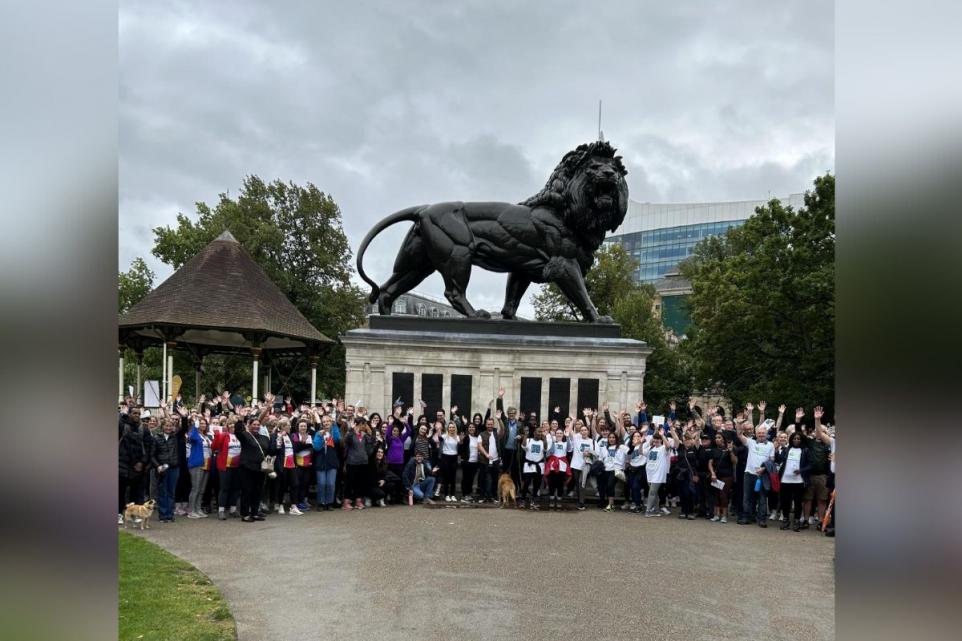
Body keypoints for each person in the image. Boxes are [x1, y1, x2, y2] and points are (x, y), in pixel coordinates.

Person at [735, 403, 775, 527]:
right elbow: (739, 435)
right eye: (759, 433)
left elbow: (772, 460)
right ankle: (746, 517)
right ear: (756, 434)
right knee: (747, 497)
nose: (761, 435)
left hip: (762, 475)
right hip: (749, 474)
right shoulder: (751, 442)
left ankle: (762, 519)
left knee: (762, 499)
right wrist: (740, 424)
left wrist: (764, 468)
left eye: (763, 433)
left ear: (766, 433)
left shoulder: (770, 445)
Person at [234, 416, 275, 522]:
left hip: (260, 469)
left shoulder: (264, 437)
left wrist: (276, 440)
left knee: (258, 491)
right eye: (254, 425)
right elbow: (238, 432)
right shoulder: (246, 435)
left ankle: (255, 513)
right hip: (247, 468)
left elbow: (271, 450)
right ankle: (245, 514)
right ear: (249, 425)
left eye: (258, 425)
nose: (256, 426)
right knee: (247, 491)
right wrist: (240, 420)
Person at [118, 406, 150, 525]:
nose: (136, 415)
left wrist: (142, 462)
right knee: (120, 492)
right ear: (130, 414)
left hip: (138, 465)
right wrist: (122, 414)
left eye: (138, 413)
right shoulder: (122, 426)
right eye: (134, 413)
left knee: (136, 492)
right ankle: (119, 514)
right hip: (123, 464)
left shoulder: (144, 429)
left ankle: (133, 514)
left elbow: (148, 447)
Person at [776, 429, 810, 531]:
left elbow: (810, 465)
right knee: (785, 501)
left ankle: (796, 521)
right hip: (785, 480)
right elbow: (779, 460)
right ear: (791, 440)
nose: (796, 440)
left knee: (798, 502)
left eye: (798, 439)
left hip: (798, 481)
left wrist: (801, 470)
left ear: (801, 440)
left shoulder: (805, 450)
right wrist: (776, 449)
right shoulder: (787, 449)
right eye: (794, 438)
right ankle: (785, 520)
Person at [151, 416, 184, 523]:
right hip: (162, 468)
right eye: (166, 425)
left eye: (170, 426)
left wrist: (183, 417)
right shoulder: (156, 437)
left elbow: (183, 429)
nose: (168, 428)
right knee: (162, 491)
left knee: (171, 491)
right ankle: (163, 515)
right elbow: (152, 455)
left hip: (174, 467)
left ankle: (170, 514)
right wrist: (158, 466)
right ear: (162, 426)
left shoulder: (175, 437)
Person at [342, 417, 376, 510]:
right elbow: (346, 440)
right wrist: (351, 429)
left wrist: (373, 429)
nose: (364, 426)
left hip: (363, 462)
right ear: (357, 424)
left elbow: (372, 441)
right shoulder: (351, 434)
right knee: (350, 483)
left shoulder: (364, 435)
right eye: (362, 424)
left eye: (364, 424)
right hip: (352, 462)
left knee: (360, 483)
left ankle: (358, 502)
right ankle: (346, 503)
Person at [211, 418, 241, 519]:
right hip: (226, 466)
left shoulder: (239, 435)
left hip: (237, 466)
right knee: (224, 488)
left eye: (234, 425)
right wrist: (216, 435)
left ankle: (233, 509)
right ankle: (221, 510)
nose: (233, 427)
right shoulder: (223, 435)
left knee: (236, 488)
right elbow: (214, 447)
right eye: (231, 425)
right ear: (227, 426)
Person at [273, 418, 302, 515]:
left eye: (289, 425)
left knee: (295, 484)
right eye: (288, 425)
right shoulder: (275, 436)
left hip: (292, 464)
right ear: (282, 426)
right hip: (282, 464)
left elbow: (294, 449)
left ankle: (293, 506)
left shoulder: (290, 436)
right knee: (282, 485)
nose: (290, 426)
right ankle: (280, 505)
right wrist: (279, 439)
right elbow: (273, 450)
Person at [312, 414, 341, 511]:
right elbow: (316, 447)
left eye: (328, 421)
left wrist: (335, 425)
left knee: (331, 484)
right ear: (322, 423)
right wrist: (320, 437)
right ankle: (321, 503)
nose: (326, 423)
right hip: (320, 462)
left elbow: (338, 439)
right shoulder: (318, 433)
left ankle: (329, 502)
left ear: (331, 422)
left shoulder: (333, 432)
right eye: (324, 422)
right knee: (321, 483)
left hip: (332, 462)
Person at [186, 418, 212, 519]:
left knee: (202, 489)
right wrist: (194, 427)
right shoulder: (195, 434)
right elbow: (192, 437)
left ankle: (198, 509)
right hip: (197, 463)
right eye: (201, 423)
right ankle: (191, 510)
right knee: (195, 488)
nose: (203, 425)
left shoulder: (206, 436)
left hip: (207, 464)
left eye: (204, 423)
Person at [707, 432, 736, 523]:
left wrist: (731, 451)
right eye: (716, 438)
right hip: (716, 476)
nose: (717, 439)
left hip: (727, 476)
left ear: (723, 439)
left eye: (719, 437)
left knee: (723, 495)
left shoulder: (729, 449)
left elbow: (735, 461)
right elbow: (710, 463)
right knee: (716, 495)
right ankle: (716, 515)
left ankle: (724, 516)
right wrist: (712, 474)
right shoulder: (713, 450)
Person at [598, 431, 628, 512]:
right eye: (610, 437)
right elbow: (600, 459)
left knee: (610, 485)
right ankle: (610, 504)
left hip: (616, 470)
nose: (611, 439)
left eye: (613, 437)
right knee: (606, 486)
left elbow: (630, 452)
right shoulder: (604, 448)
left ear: (616, 439)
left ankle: (611, 505)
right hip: (606, 469)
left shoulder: (621, 447)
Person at [643, 428, 670, 517]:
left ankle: (648, 511)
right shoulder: (651, 448)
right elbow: (640, 452)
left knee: (652, 492)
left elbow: (668, 446)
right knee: (654, 493)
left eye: (658, 439)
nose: (657, 440)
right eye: (655, 438)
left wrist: (662, 435)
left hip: (658, 474)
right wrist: (641, 442)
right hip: (650, 474)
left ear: (661, 440)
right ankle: (656, 511)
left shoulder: (663, 449)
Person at [544, 427, 572, 510]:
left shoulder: (565, 443)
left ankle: (559, 499)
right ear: (555, 435)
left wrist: (567, 437)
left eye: (560, 433)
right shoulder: (553, 443)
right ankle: (552, 499)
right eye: (557, 433)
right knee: (552, 483)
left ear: (562, 435)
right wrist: (553, 441)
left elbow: (569, 449)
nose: (559, 434)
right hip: (553, 464)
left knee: (560, 484)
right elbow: (551, 452)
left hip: (562, 465)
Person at [520, 425, 547, 510]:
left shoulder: (542, 442)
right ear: (534, 432)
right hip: (529, 465)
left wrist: (545, 438)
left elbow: (545, 449)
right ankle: (523, 499)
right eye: (538, 432)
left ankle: (534, 500)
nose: (540, 433)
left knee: (537, 484)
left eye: (541, 432)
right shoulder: (529, 440)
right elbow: (524, 446)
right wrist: (525, 436)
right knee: (526, 482)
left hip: (539, 465)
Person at [291, 418, 314, 512]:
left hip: (308, 464)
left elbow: (313, 448)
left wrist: (303, 445)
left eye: (305, 426)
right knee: (297, 484)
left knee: (305, 484)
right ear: (298, 427)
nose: (303, 427)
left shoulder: (311, 436)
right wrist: (305, 445)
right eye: (301, 426)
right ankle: (296, 503)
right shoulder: (294, 435)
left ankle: (302, 501)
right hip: (297, 464)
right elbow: (295, 448)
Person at [438, 422, 463, 502]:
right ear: (447, 428)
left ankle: (452, 495)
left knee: (453, 477)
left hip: (454, 457)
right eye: (450, 427)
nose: (451, 429)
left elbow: (460, 447)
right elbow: (439, 438)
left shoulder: (458, 437)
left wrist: (461, 442)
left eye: (453, 427)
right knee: (446, 477)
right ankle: (446, 495)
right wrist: (439, 429)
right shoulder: (444, 436)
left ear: (455, 428)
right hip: (445, 457)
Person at [459, 421, 480, 503]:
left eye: (473, 427)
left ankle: (469, 494)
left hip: (475, 462)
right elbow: (460, 450)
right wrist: (460, 442)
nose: (471, 428)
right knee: (465, 479)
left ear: (475, 429)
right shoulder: (466, 438)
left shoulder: (477, 438)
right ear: (468, 429)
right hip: (467, 461)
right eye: (470, 427)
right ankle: (464, 495)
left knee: (471, 479)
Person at [625, 431, 647, 514]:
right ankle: (638, 504)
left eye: (638, 436)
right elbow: (628, 457)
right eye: (635, 436)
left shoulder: (645, 445)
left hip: (640, 469)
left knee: (635, 486)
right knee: (633, 488)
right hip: (632, 469)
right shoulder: (630, 446)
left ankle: (638, 505)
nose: (637, 437)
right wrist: (632, 447)